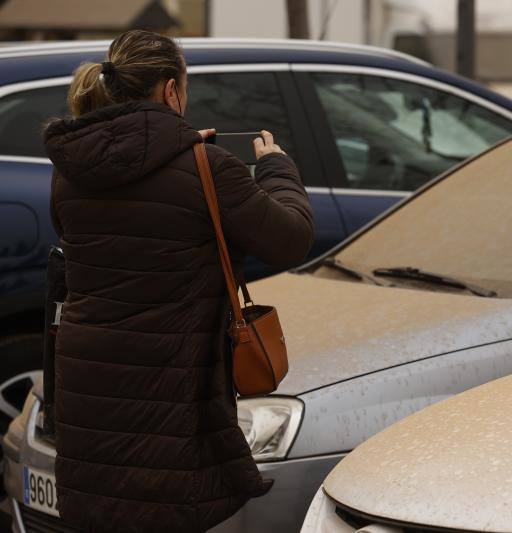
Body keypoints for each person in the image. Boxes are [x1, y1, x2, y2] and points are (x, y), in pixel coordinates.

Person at [43, 30, 314, 532]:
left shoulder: (71, 171)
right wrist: (275, 169)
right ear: (171, 90)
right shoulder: (207, 168)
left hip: (91, 388)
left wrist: (188, 157)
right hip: (169, 386)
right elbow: (291, 238)